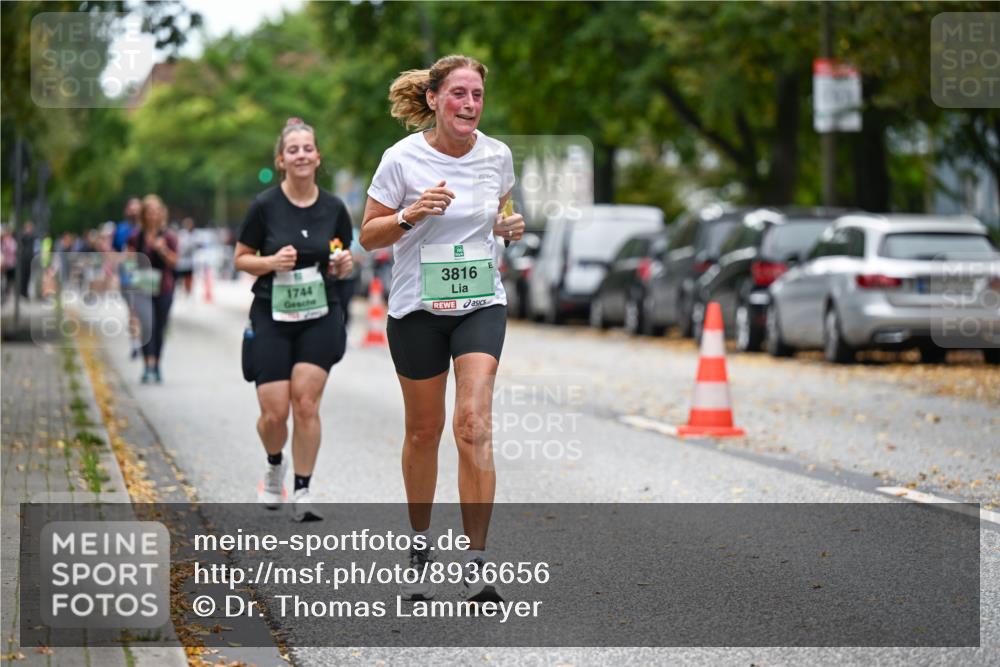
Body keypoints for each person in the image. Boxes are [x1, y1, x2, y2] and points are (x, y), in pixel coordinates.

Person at [360, 54, 525, 603]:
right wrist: (411, 215)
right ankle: (419, 543)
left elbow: (498, 214)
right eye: (458, 94)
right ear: (433, 99)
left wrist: (508, 226)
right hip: (417, 309)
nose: (469, 105)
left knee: (474, 424)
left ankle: (477, 563)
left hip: (480, 302)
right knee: (423, 432)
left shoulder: (497, 156)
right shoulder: (400, 160)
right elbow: (368, 236)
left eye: (477, 94)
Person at [234, 118, 354, 522]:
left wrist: (342, 264)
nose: (301, 155)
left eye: (308, 149)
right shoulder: (264, 207)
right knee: (273, 412)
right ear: (281, 160)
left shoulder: (335, 208)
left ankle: (303, 489)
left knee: (305, 403)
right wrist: (270, 262)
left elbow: (340, 254)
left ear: (317, 157)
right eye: (293, 150)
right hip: (271, 312)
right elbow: (241, 258)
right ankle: (273, 465)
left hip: (320, 313)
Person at [128, 195, 178, 383]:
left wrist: (163, 250)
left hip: (164, 287)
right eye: (149, 211)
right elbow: (129, 261)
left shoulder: (168, 236)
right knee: (147, 326)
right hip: (142, 287)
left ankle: (156, 364)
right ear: (144, 214)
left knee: (159, 327)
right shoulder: (136, 236)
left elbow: (175, 262)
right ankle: (147, 365)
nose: (153, 215)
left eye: (156, 211)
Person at [115, 198, 143, 358]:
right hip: (127, 276)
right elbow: (114, 251)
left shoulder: (147, 227)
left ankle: (143, 340)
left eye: (136, 209)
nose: (133, 212)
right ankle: (135, 343)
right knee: (133, 311)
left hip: (145, 275)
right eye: (131, 209)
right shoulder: (121, 229)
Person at [174, 217, 197, 296]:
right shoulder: (182, 234)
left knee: (189, 277)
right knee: (179, 277)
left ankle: (188, 291)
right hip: (181, 261)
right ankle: (179, 289)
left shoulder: (194, 234)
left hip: (189, 261)